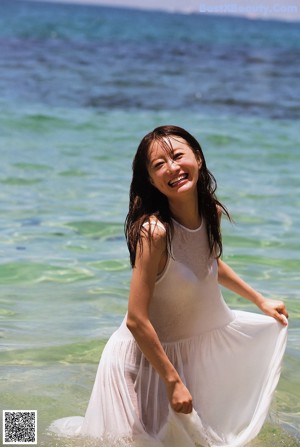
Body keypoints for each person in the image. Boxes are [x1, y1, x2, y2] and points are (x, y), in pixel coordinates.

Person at [49, 125, 288, 447]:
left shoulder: (210, 212)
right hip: (138, 365)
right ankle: (14, 426)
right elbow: (136, 319)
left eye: (177, 156)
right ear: (150, 179)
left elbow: (207, 264)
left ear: (198, 159)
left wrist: (259, 300)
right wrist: (173, 382)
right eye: (159, 165)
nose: (172, 168)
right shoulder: (154, 232)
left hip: (177, 360)